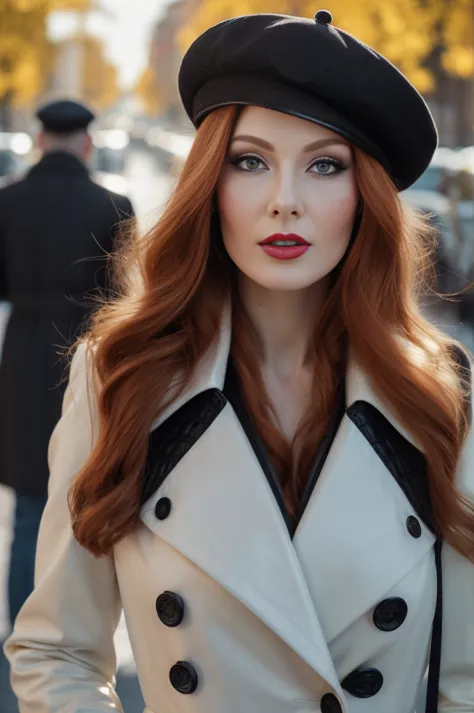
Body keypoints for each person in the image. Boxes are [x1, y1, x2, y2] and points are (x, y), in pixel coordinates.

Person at [4, 11, 474, 713]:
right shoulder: (122, 375)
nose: (284, 201)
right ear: (208, 184)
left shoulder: (442, 391)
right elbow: (58, 650)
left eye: (325, 165)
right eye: (249, 160)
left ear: (364, 195)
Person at [0, 98, 135, 629]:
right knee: (89, 496)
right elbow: (124, 295)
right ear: (87, 143)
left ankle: (23, 632)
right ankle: (75, 630)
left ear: (39, 140)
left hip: (25, 356)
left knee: (31, 508)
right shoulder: (114, 204)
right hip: (91, 356)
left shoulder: (7, 203)